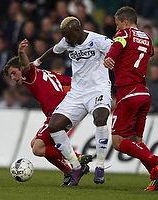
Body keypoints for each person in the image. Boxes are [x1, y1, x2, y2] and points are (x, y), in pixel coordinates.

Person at [32, 16, 113, 185]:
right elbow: (55, 49)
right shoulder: (68, 41)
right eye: (64, 36)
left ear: (77, 30)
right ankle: (76, 167)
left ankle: (100, 165)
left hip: (98, 89)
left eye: (68, 35)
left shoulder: (98, 40)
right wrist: (38, 61)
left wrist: (111, 59)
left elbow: (116, 50)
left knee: (100, 118)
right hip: (77, 93)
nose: (66, 39)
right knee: (54, 126)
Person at [3, 39, 92, 186]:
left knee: (37, 148)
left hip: (58, 112)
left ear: (21, 69)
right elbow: (72, 82)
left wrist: (21, 53)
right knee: (35, 144)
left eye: (13, 73)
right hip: (66, 110)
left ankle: (77, 159)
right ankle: (69, 172)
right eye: (10, 76)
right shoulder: (47, 74)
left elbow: (25, 64)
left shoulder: (29, 75)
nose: (13, 78)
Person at [103, 6, 158, 191]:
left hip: (128, 93)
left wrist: (110, 57)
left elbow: (118, 44)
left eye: (117, 25)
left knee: (118, 142)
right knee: (135, 140)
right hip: (143, 93)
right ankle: (156, 175)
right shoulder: (147, 38)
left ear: (125, 22)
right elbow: (151, 53)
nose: (116, 30)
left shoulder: (124, 34)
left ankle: (157, 161)